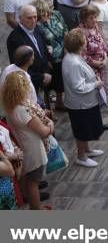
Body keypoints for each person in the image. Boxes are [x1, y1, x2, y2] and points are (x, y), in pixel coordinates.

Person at [2, 72, 52, 209]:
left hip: (23, 146)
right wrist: (50, 126)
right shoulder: (23, 109)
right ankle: (37, 209)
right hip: (33, 149)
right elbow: (43, 131)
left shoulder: (10, 107)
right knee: (33, 183)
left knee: (27, 179)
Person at [62, 28, 107, 168]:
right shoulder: (73, 62)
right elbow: (78, 86)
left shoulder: (74, 56)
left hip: (85, 102)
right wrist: (96, 84)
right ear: (80, 44)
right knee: (82, 130)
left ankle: (87, 150)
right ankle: (81, 156)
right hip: (80, 104)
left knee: (86, 128)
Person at [6, 5, 51, 99]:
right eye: (29, 18)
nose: (34, 20)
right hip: (30, 84)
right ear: (20, 18)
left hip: (43, 81)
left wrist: (47, 71)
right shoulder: (14, 39)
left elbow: (43, 53)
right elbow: (18, 68)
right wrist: (41, 77)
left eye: (35, 17)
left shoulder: (37, 29)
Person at [34, 0, 67, 109]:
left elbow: (65, 30)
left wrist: (68, 48)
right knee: (51, 83)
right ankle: (47, 108)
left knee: (62, 80)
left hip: (64, 53)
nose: (46, 15)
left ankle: (59, 102)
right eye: (42, 14)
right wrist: (47, 60)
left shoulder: (56, 14)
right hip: (52, 59)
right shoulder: (37, 26)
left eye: (48, 12)